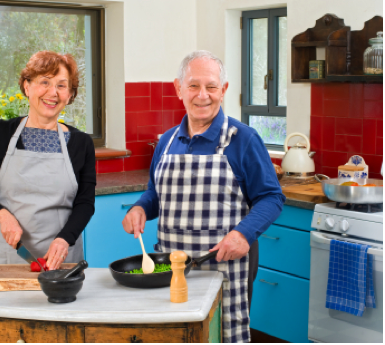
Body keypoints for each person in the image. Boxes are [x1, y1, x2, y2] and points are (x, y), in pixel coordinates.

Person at [122, 50, 285, 343]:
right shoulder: (167, 141)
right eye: (194, 86)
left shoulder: (244, 139)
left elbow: (272, 197)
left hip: (225, 265)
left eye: (211, 87)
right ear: (178, 88)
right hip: (172, 267)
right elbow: (154, 194)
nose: (202, 95)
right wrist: (140, 208)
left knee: (220, 335)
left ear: (223, 90)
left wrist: (244, 234)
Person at [0, 51, 96, 270]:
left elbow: (85, 203)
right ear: (27, 86)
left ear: (70, 95)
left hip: (62, 254)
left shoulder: (81, 143)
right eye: (44, 82)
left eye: (62, 85)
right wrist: (2, 216)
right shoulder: (0, 133)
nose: (52, 93)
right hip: (9, 253)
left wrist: (64, 239)